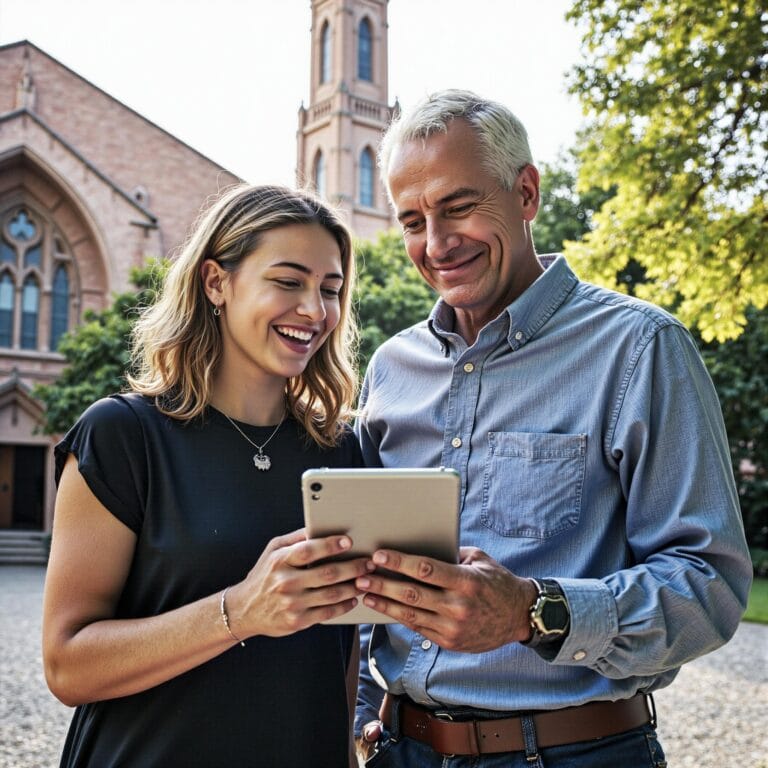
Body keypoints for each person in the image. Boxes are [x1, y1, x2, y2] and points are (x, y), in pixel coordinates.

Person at [353, 90, 753, 767]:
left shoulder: (640, 348)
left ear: (528, 192)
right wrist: (360, 704)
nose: (436, 244)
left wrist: (528, 612)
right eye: (412, 220)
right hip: (402, 751)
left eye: (458, 207)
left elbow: (709, 586)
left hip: (573, 754)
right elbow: (362, 575)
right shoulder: (392, 368)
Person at [42, 184, 373, 768]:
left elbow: (339, 652)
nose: (316, 311)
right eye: (289, 282)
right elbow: (67, 665)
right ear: (216, 282)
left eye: (331, 290)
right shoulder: (123, 436)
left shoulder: (342, 452)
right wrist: (242, 611)